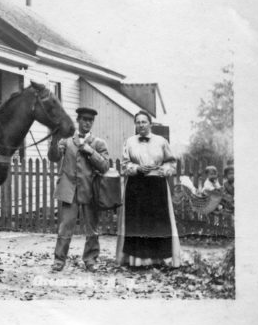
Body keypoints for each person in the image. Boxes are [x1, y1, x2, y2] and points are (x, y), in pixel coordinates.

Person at [47, 107, 111, 273]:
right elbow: (53, 157)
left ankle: (90, 260)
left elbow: (105, 167)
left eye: (90, 120)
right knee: (65, 226)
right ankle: (59, 260)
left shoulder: (98, 143)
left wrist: (90, 151)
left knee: (91, 228)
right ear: (78, 120)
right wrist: (55, 144)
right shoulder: (67, 141)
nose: (87, 123)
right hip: (69, 190)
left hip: (90, 190)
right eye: (84, 119)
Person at [116, 110, 181, 268]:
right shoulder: (129, 142)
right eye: (138, 122)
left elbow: (171, 162)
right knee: (137, 223)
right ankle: (137, 261)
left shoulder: (161, 141)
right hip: (136, 186)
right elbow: (124, 165)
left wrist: (164, 170)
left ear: (150, 124)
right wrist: (137, 168)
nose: (141, 125)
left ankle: (160, 260)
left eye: (144, 122)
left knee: (158, 222)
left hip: (157, 185)